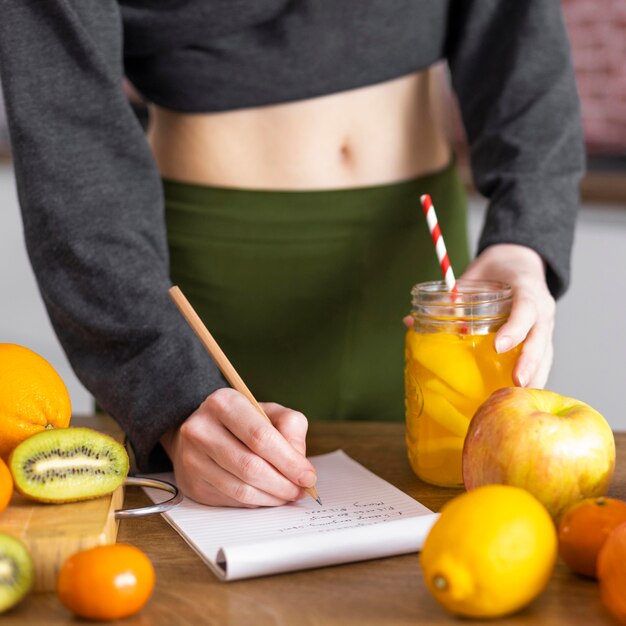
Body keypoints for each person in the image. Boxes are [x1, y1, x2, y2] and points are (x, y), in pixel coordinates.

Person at [0, 2, 584, 507]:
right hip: (190, 295)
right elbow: (69, 122)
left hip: (420, 271)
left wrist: (523, 243)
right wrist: (165, 393)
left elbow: (519, 31)